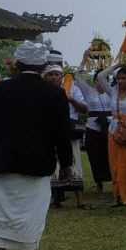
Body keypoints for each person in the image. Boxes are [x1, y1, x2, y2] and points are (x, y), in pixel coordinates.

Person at [0, 41, 72, 250]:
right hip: (37, 163)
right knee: (30, 213)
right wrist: (67, 163)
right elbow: (62, 133)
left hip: (1, 160)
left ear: (16, 63)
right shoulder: (54, 93)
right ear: (43, 65)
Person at [43, 63, 92, 210]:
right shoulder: (43, 91)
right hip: (50, 132)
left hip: (69, 130)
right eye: (50, 74)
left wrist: (70, 98)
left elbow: (84, 109)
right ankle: (55, 199)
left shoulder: (73, 89)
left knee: (75, 163)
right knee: (53, 166)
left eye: (56, 74)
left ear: (61, 76)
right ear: (45, 77)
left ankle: (80, 199)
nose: (53, 77)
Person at [97, 63, 126, 207]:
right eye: (118, 78)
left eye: (123, 78)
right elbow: (100, 76)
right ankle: (116, 196)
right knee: (114, 164)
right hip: (114, 129)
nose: (120, 81)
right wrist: (117, 65)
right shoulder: (113, 92)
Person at [73, 69, 112, 194]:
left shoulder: (113, 92)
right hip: (93, 127)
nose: (100, 83)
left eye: (103, 80)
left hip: (110, 126)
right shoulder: (89, 92)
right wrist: (85, 60)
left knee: (110, 155)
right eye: (97, 80)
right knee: (95, 155)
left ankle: (115, 181)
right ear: (94, 81)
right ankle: (98, 182)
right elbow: (77, 76)